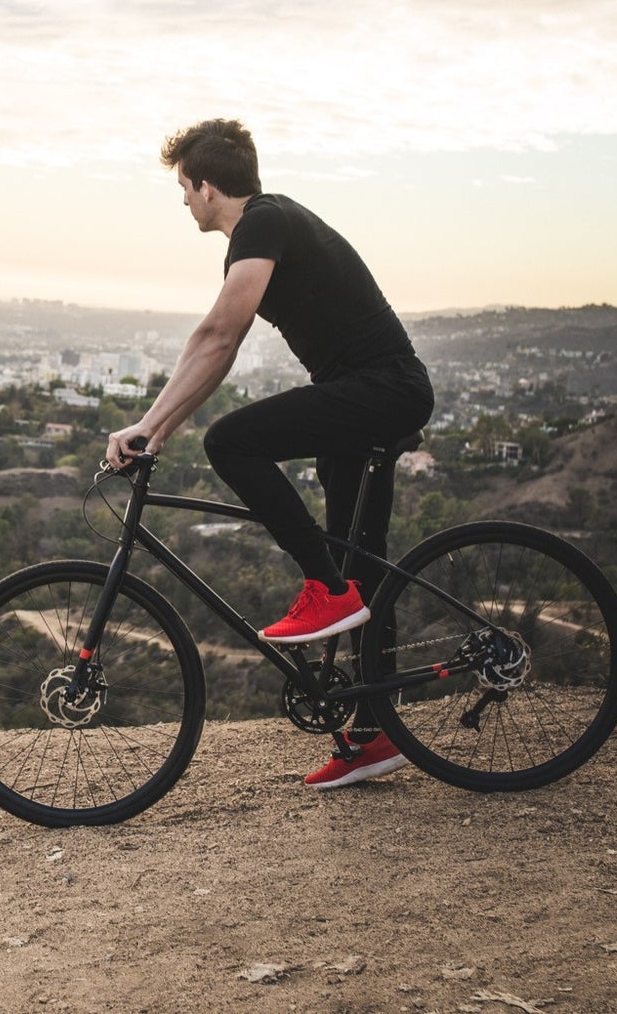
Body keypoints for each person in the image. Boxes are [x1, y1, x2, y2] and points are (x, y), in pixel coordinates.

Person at [105, 118, 434, 789]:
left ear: (206, 186)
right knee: (358, 555)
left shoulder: (261, 222)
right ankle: (375, 733)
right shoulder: (266, 226)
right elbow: (217, 346)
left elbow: (219, 336)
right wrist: (158, 428)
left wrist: (151, 425)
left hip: (381, 389)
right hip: (374, 392)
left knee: (232, 440)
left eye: (183, 188)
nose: (183, 202)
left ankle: (325, 590)